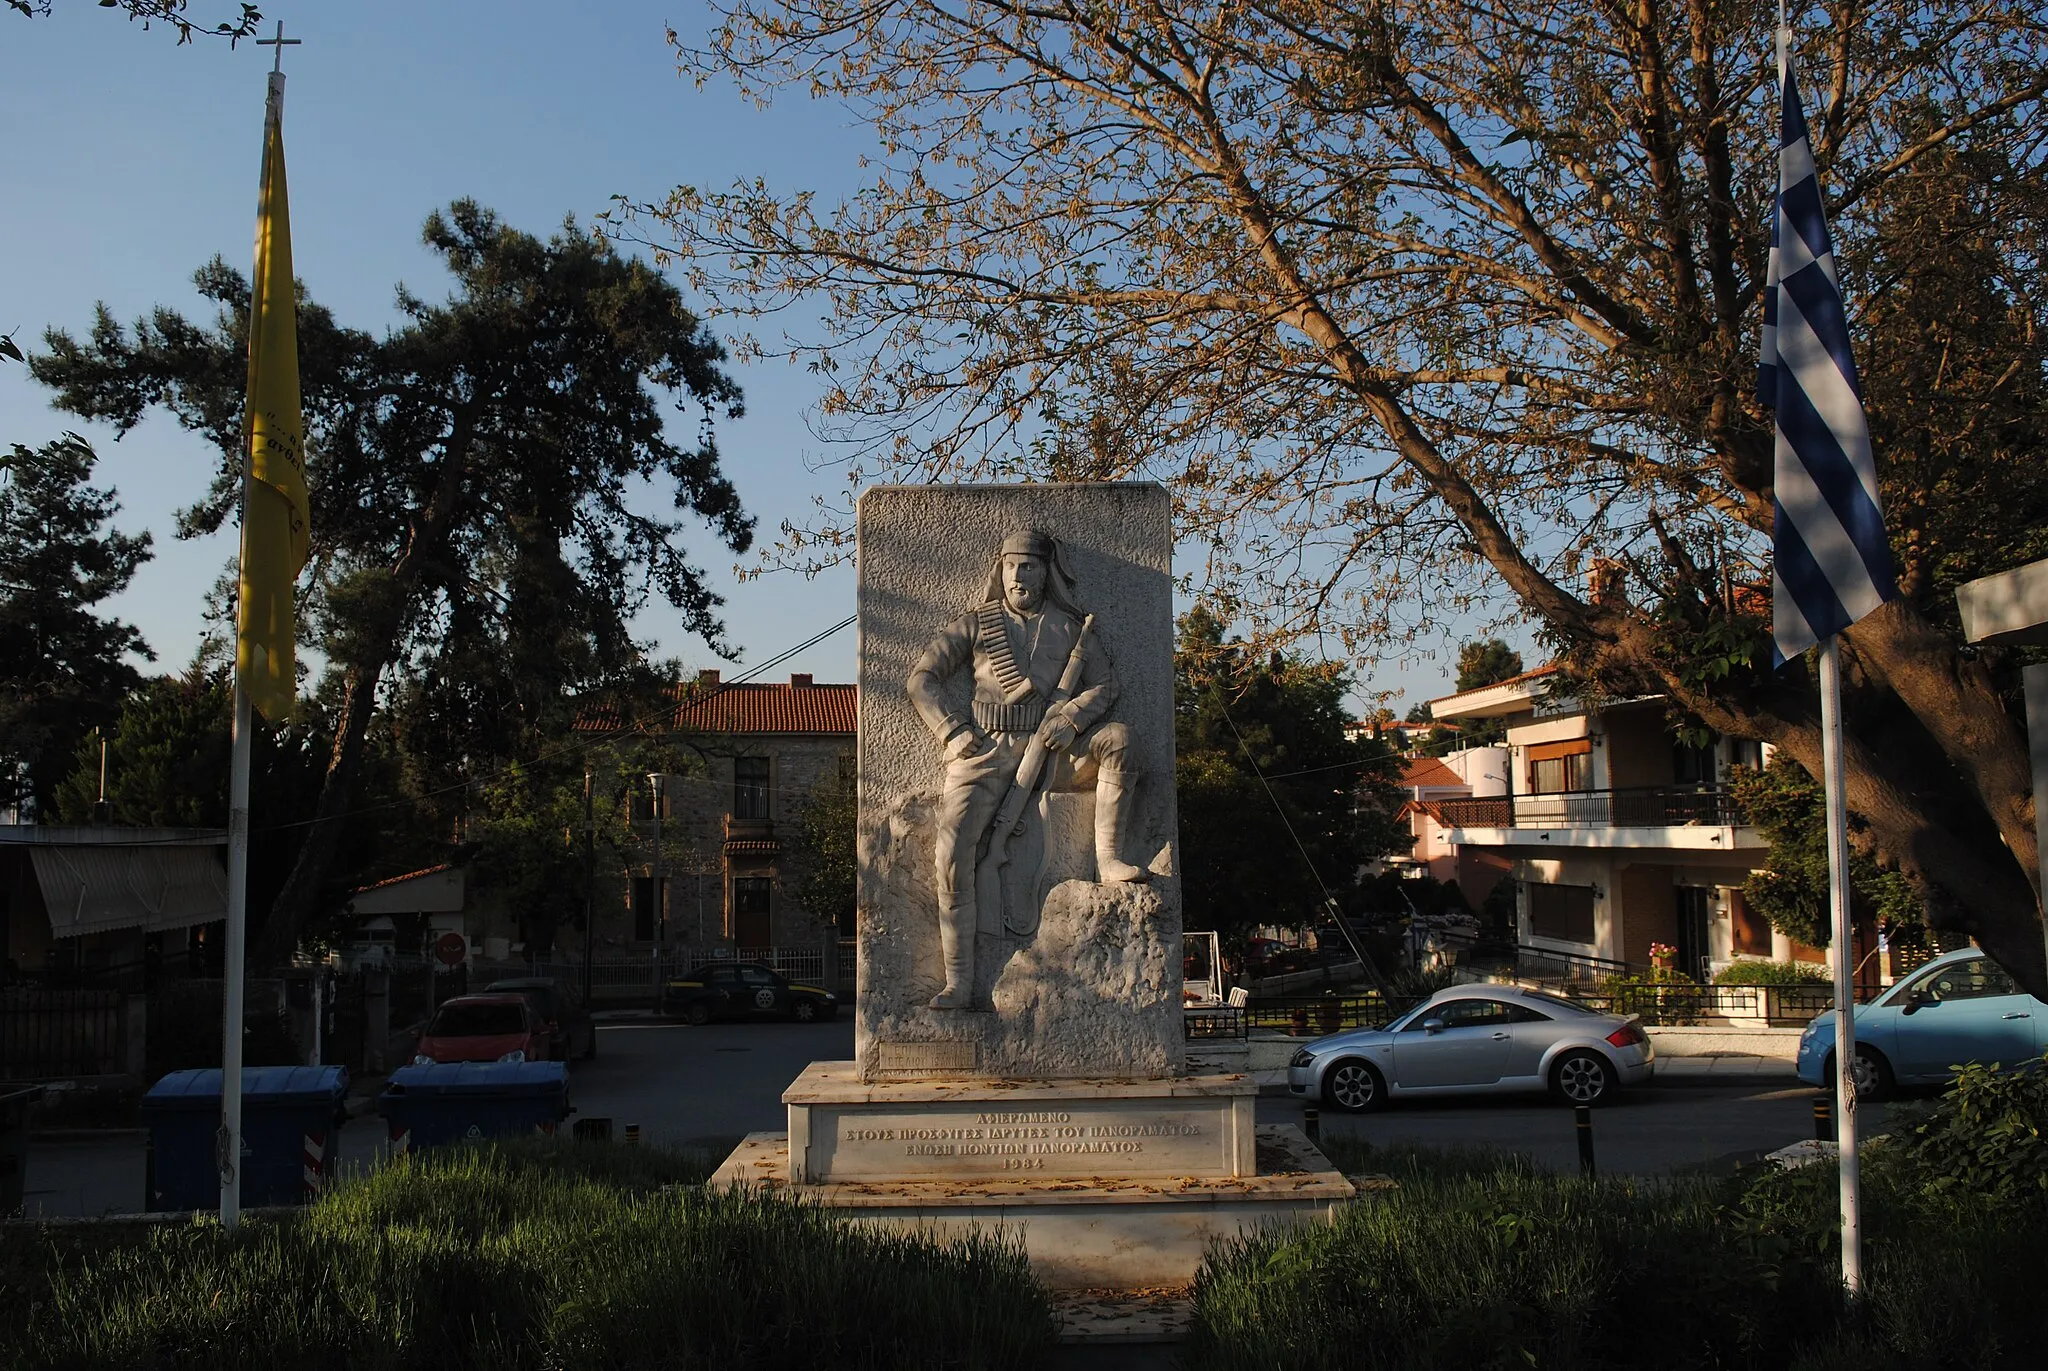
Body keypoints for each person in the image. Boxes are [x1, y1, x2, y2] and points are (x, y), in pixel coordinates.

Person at [907, 529, 1147, 1009]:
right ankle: (959, 983)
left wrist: (1071, 717)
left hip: (1053, 749)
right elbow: (922, 680)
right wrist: (953, 733)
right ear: (1000, 569)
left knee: (1119, 740)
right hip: (987, 755)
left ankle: (1109, 859)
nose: (1018, 576)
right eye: (1011, 566)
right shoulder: (977, 624)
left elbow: (1107, 684)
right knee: (952, 855)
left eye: (1030, 566)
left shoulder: (1070, 628)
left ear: (1046, 572)